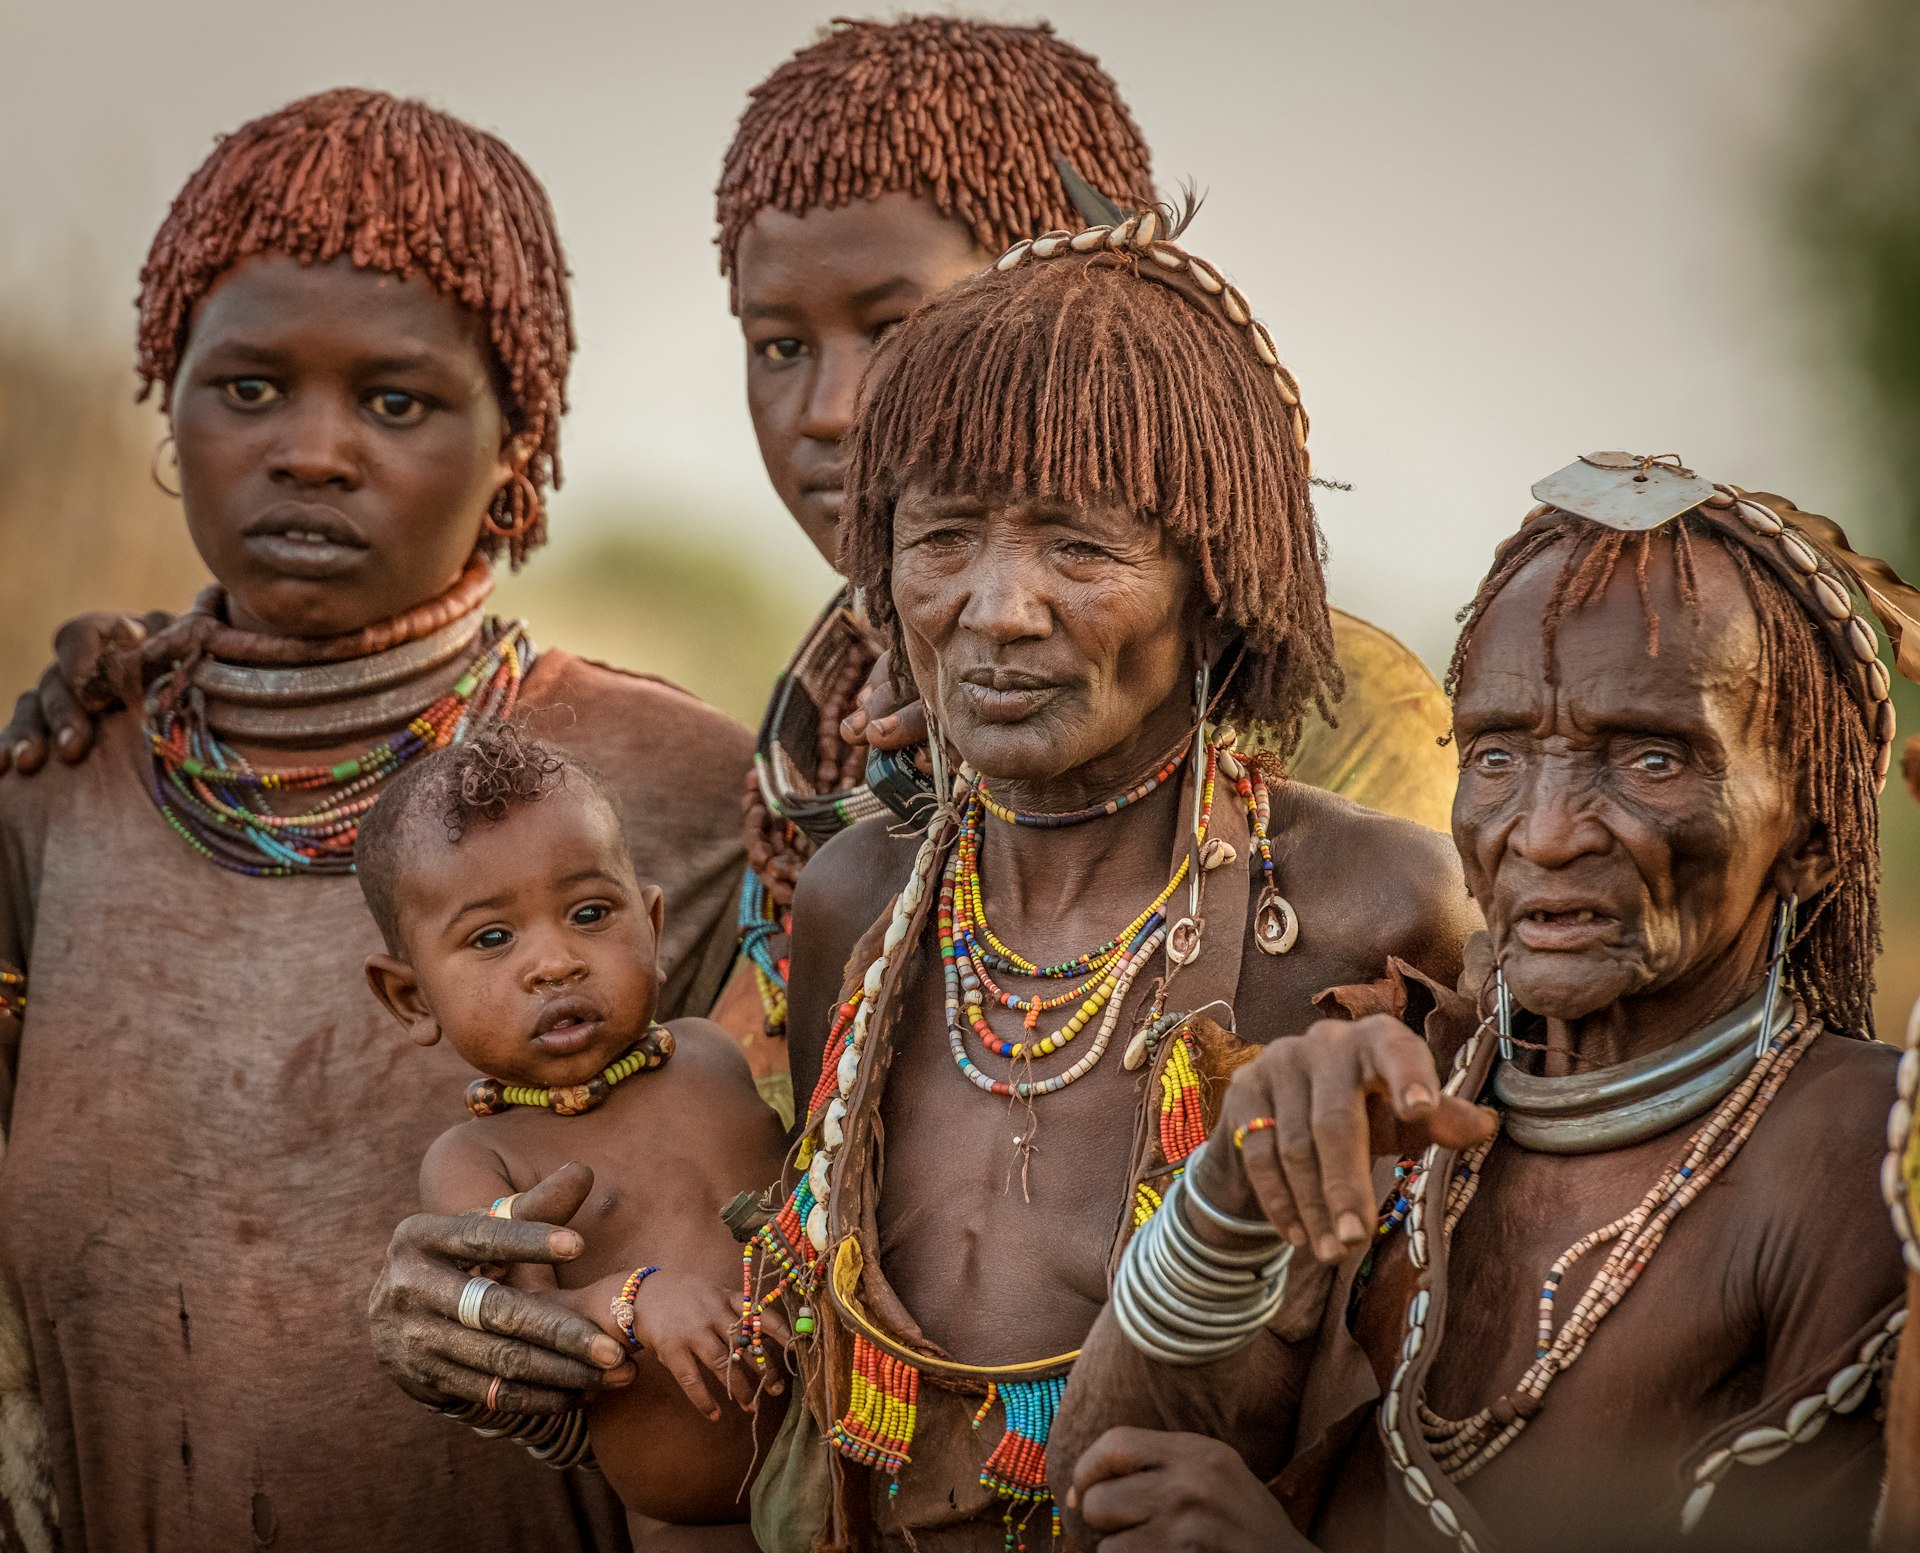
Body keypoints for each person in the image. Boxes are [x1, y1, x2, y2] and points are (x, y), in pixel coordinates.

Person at [0, 89, 752, 1550]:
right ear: (171, 398)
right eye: (249, 388)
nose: (315, 452)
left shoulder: (686, 792)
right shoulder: (56, 788)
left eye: (397, 401)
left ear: (517, 442)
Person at [1051, 462, 1912, 1553]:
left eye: (1652, 757)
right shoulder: (1405, 1094)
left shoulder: (1862, 1157)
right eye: (1497, 753)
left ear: (1816, 838)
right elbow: (1098, 1502)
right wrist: (1225, 1197)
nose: (1543, 831)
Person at [355, 724, 784, 1545]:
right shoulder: (480, 1159)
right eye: (491, 937)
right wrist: (635, 1299)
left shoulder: (711, 1053)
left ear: (652, 927)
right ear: (410, 997)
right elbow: (513, 1323)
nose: (555, 961)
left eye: (591, 913)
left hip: (859, 1463)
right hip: (695, 1521)